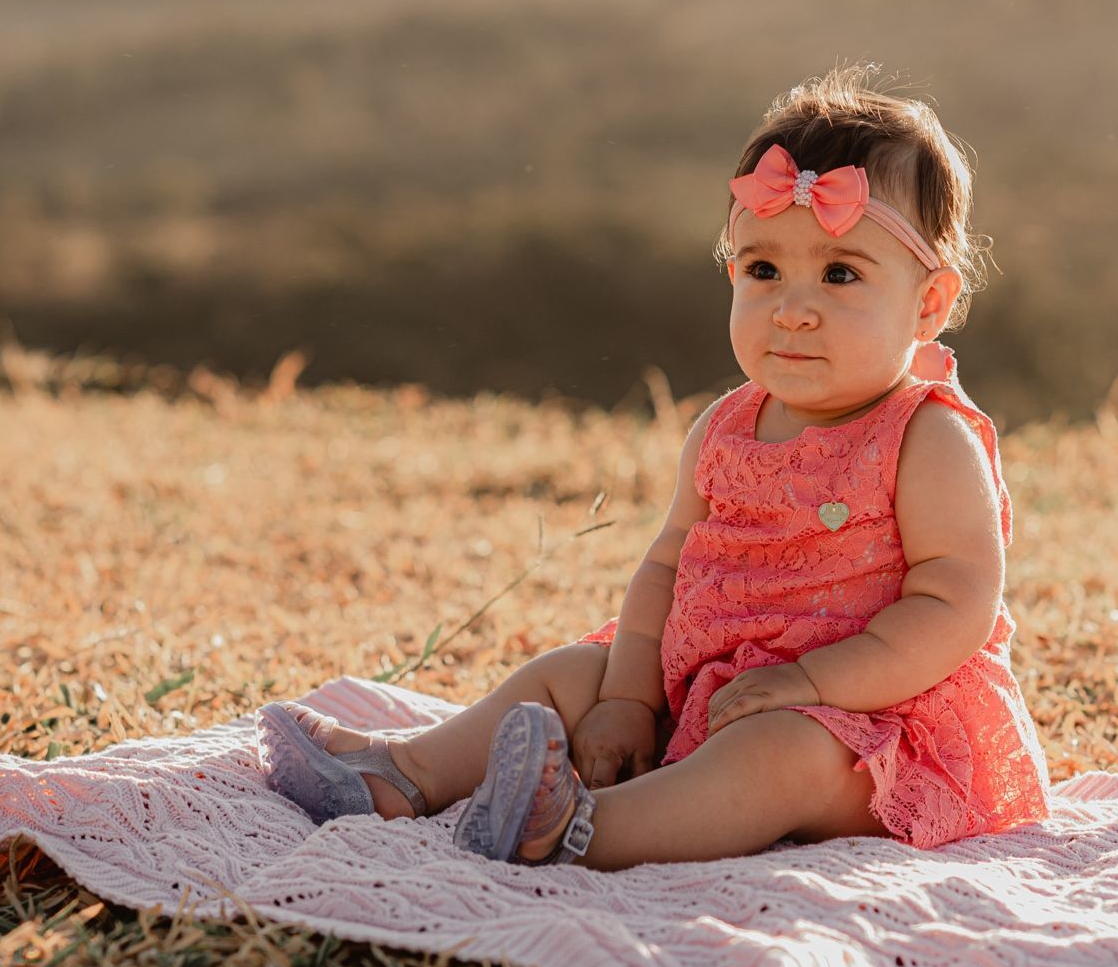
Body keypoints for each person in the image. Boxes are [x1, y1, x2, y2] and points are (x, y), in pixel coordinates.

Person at [256, 63, 1051, 870]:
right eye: (764, 270)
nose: (793, 307)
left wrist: (813, 683)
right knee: (571, 674)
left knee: (779, 757)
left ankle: (583, 829)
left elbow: (956, 604)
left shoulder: (925, 437)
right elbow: (668, 567)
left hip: (868, 729)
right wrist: (629, 701)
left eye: (840, 274)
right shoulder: (724, 425)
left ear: (928, 305)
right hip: (713, 684)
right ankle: (400, 776)